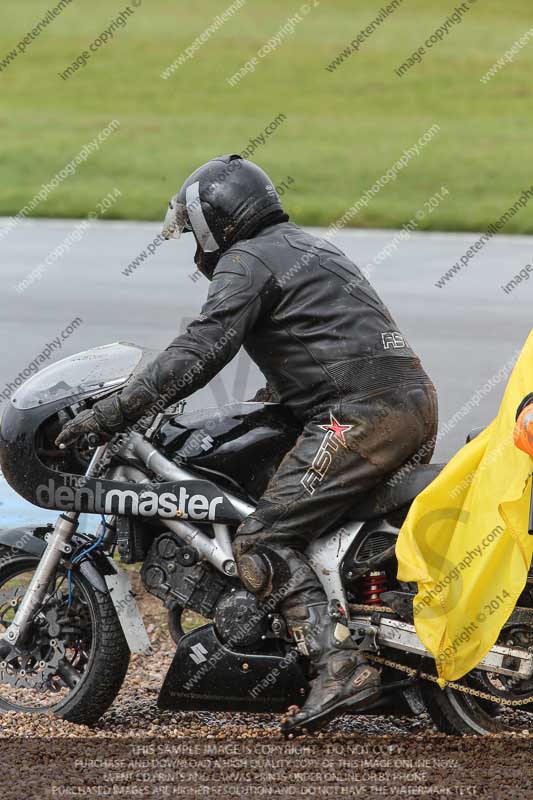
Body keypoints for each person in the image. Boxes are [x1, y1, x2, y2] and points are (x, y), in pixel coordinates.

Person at [56, 155, 438, 734]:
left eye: (194, 230)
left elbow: (203, 349)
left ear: (217, 220)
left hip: (360, 417)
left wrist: (113, 412)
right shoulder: (306, 246)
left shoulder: (246, 259)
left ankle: (340, 666)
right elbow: (321, 341)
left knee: (262, 536)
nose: (194, 247)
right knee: (314, 522)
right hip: (405, 404)